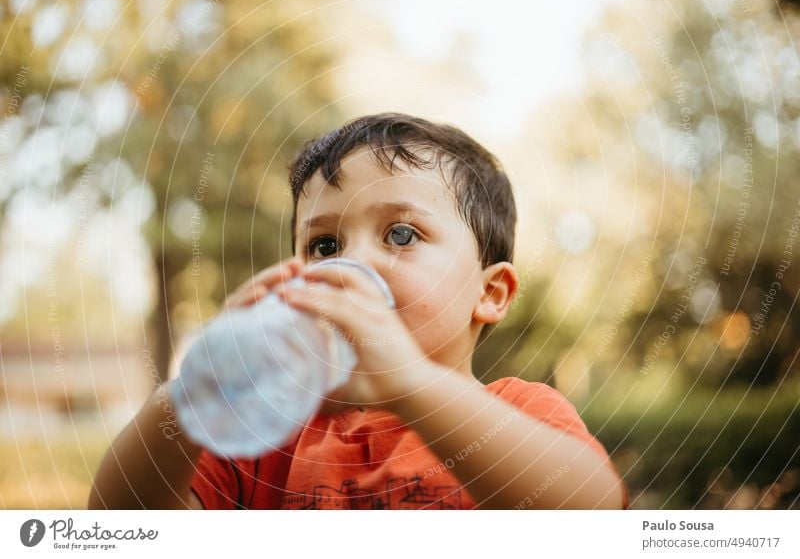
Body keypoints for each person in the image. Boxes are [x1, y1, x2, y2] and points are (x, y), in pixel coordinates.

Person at [89, 113, 627, 510]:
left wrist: (412, 384)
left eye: (400, 233)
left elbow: (594, 511)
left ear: (490, 293)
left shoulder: (516, 415)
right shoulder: (272, 439)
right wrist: (192, 396)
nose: (350, 264)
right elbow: (122, 520)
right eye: (324, 245)